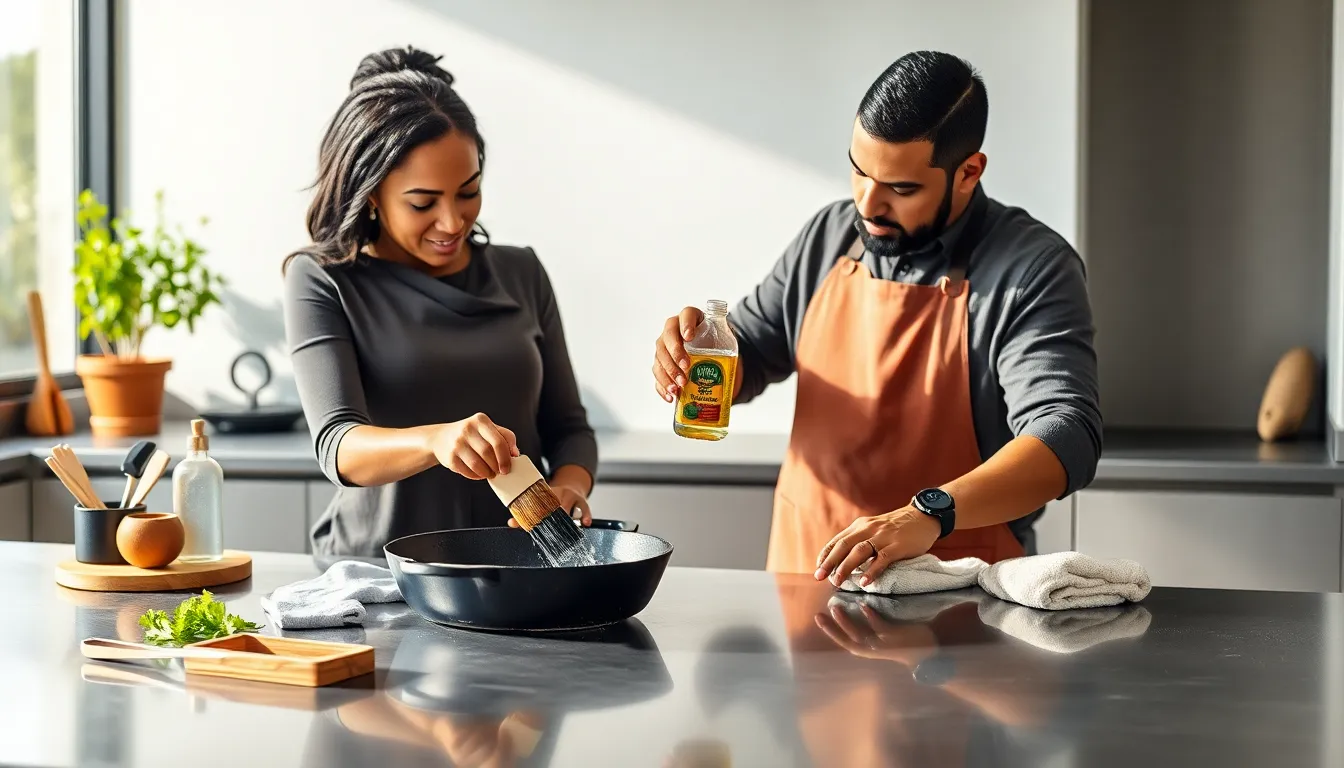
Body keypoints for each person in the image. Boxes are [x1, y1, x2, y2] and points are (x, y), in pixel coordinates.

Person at [651, 51, 1101, 583]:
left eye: (902, 188)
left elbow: (1065, 433)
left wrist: (929, 513)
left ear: (969, 172)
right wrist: (700, 351)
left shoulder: (1032, 268)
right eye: (859, 171)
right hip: (807, 586)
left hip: (955, 598)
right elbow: (753, 346)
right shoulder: (829, 236)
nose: (868, 203)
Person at [284, 46, 597, 557]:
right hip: (380, 579)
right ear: (371, 194)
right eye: (423, 203)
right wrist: (434, 441)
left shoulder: (522, 273)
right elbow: (338, 444)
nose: (452, 222)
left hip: (522, 566)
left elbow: (569, 428)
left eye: (468, 191)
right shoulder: (324, 281)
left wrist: (571, 485)